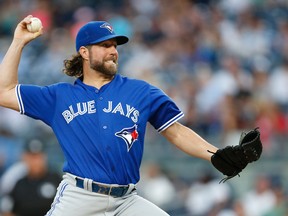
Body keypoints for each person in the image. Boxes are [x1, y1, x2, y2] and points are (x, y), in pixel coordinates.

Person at [0, 15, 240, 216]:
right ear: (84, 52)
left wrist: (215, 154)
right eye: (104, 46)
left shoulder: (141, 91)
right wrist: (18, 42)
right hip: (80, 197)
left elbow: (176, 131)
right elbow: (4, 92)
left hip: (127, 201)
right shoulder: (58, 96)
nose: (113, 51)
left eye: (114, 45)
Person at [0, 138, 61, 216]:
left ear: (44, 157)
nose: (35, 162)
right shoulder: (19, 183)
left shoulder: (56, 179)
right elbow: (7, 210)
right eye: (32, 157)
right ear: (25, 158)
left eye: (38, 157)